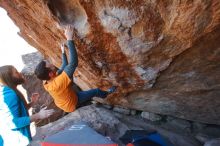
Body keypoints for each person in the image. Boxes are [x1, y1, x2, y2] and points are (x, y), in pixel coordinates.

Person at [34, 25, 116, 113]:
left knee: (72, 83)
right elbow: (73, 63)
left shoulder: (46, 80)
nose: (50, 62)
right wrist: (69, 39)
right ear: (50, 73)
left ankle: (87, 101)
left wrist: (63, 52)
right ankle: (106, 94)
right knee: (96, 91)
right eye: (49, 64)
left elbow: (65, 65)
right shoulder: (57, 84)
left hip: (66, 99)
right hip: (72, 103)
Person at [0, 65, 54, 146]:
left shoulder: (9, 90)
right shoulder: (10, 95)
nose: (20, 73)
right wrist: (38, 115)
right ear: (9, 78)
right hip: (15, 141)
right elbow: (13, 123)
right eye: (16, 72)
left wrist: (32, 103)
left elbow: (18, 112)